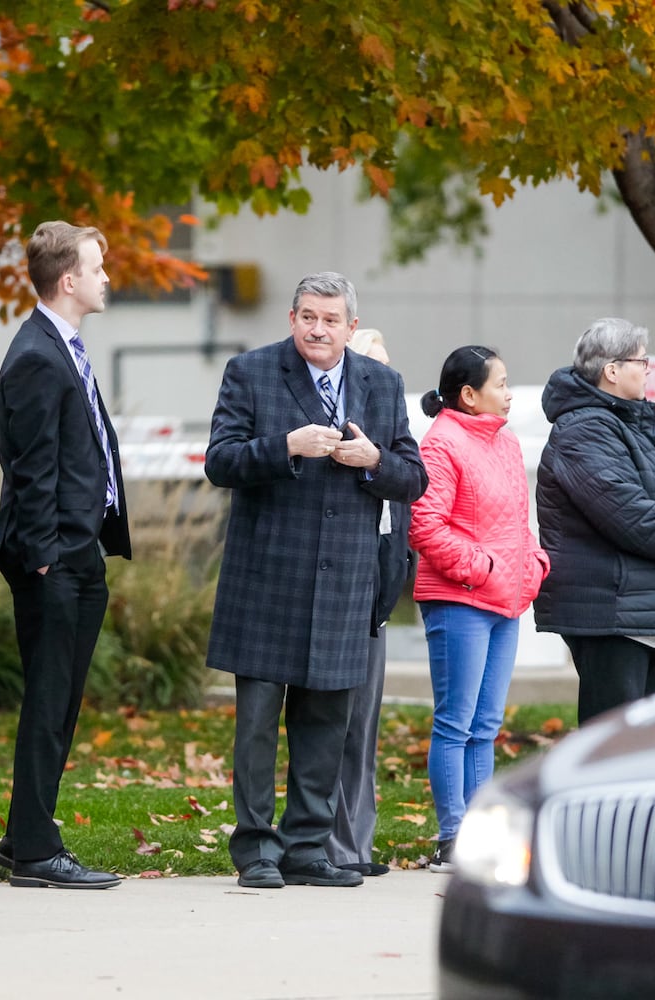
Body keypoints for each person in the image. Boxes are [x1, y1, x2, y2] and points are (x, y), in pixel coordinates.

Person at [207, 272, 425, 890]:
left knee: (327, 720)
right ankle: (256, 849)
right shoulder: (250, 372)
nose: (317, 329)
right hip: (267, 575)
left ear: (352, 327)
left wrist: (375, 461)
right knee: (255, 724)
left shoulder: (381, 383)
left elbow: (414, 477)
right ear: (292, 316)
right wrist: (285, 446)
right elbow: (220, 461)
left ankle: (306, 846)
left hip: (343, 581)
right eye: (307, 317)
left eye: (330, 320)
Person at [0, 222, 130, 889]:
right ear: (68, 280)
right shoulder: (37, 356)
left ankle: (22, 840)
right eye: (98, 268)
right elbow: (30, 464)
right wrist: (44, 556)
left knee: (63, 704)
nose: (108, 278)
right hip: (53, 559)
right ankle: (38, 853)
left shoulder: (63, 346)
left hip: (80, 551)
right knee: (49, 705)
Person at [410, 346, 549, 873]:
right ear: (469, 395)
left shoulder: (507, 442)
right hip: (459, 600)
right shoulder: (441, 444)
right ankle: (452, 837)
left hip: (505, 601)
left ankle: (480, 838)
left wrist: (532, 562)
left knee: (486, 725)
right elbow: (426, 527)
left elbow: (518, 520)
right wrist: (485, 568)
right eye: (502, 383)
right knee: (456, 723)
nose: (510, 392)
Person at [534, 319, 655, 724]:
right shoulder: (582, 430)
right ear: (611, 370)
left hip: (646, 607)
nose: (648, 368)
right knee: (610, 743)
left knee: (639, 744)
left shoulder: (636, 421)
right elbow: (634, 518)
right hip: (610, 614)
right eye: (641, 361)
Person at [328, 328, 414, 879]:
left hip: (377, 596)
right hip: (340, 595)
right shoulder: (341, 436)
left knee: (364, 728)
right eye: (371, 369)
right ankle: (332, 844)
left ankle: (358, 841)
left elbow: (411, 488)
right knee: (336, 726)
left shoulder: (389, 446)